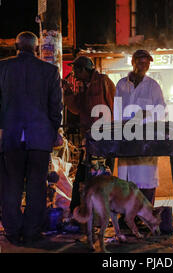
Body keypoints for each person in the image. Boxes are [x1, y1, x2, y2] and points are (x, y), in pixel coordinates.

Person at [0, 31, 63, 245]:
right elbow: (56, 107)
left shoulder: (0, 67)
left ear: (16, 48)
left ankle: (12, 232)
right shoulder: (50, 71)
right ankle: (31, 232)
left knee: (11, 186)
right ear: (36, 48)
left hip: (10, 137)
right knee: (37, 187)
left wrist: (0, 126)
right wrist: (53, 129)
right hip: (39, 138)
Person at [61, 56, 116, 220]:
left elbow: (115, 104)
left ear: (85, 69)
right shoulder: (82, 86)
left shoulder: (103, 81)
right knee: (84, 176)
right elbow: (77, 109)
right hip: (90, 139)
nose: (74, 73)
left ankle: (102, 216)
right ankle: (80, 213)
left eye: (76, 70)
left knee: (103, 177)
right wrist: (68, 93)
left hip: (106, 139)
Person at [114, 49, 166, 205]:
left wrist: (147, 113)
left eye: (146, 63)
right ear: (133, 62)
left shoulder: (153, 86)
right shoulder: (121, 84)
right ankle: (126, 217)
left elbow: (161, 109)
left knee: (146, 178)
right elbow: (117, 110)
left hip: (145, 139)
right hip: (125, 137)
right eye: (140, 62)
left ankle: (146, 215)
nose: (143, 66)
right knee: (126, 179)